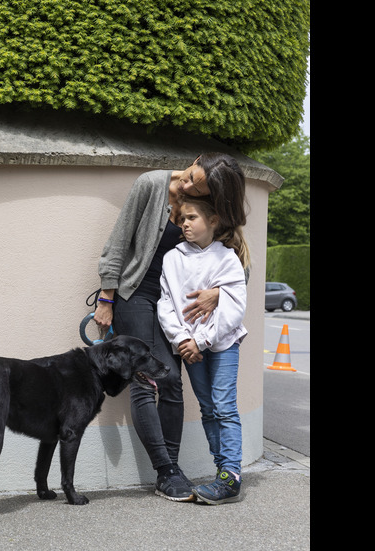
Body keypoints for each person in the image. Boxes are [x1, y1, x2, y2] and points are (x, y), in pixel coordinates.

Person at [94, 153, 247, 501]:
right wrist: (106, 296)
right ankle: (165, 470)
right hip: (136, 294)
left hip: (175, 303)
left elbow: (237, 264)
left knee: (170, 380)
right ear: (194, 161)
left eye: (199, 187)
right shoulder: (151, 184)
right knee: (145, 381)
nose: (188, 186)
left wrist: (218, 292)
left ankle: (174, 469)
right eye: (193, 176)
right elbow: (120, 239)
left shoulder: (206, 206)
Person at [157, 193, 248, 504]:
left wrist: (202, 340)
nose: (184, 224)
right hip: (190, 349)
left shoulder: (227, 258)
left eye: (191, 217)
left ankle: (231, 475)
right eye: (181, 219)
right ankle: (223, 472)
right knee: (208, 409)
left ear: (213, 221)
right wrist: (182, 341)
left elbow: (234, 308)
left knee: (224, 407)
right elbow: (166, 304)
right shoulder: (172, 258)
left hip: (222, 345)